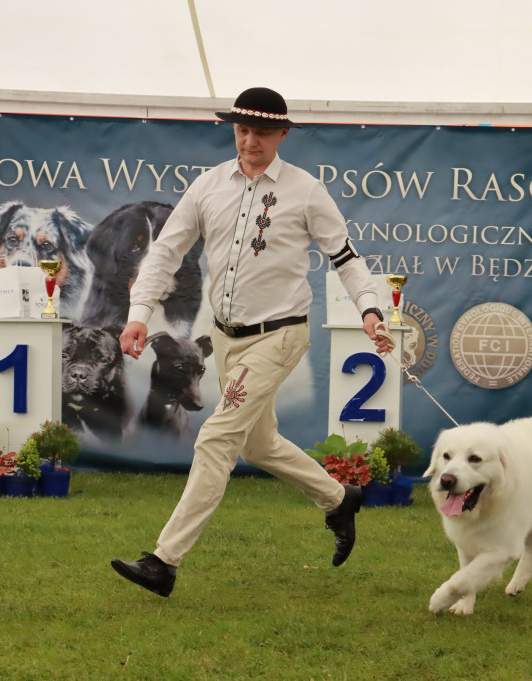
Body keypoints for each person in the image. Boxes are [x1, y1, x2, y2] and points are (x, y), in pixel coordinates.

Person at [110, 87, 391, 597]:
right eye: (241, 128)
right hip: (227, 339)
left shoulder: (306, 190)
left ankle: (163, 561)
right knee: (259, 445)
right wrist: (138, 315)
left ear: (283, 134)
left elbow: (346, 257)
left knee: (216, 438)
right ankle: (338, 498)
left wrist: (370, 309)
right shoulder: (207, 185)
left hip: (280, 336)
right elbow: (165, 253)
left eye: (261, 130)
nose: (249, 139)